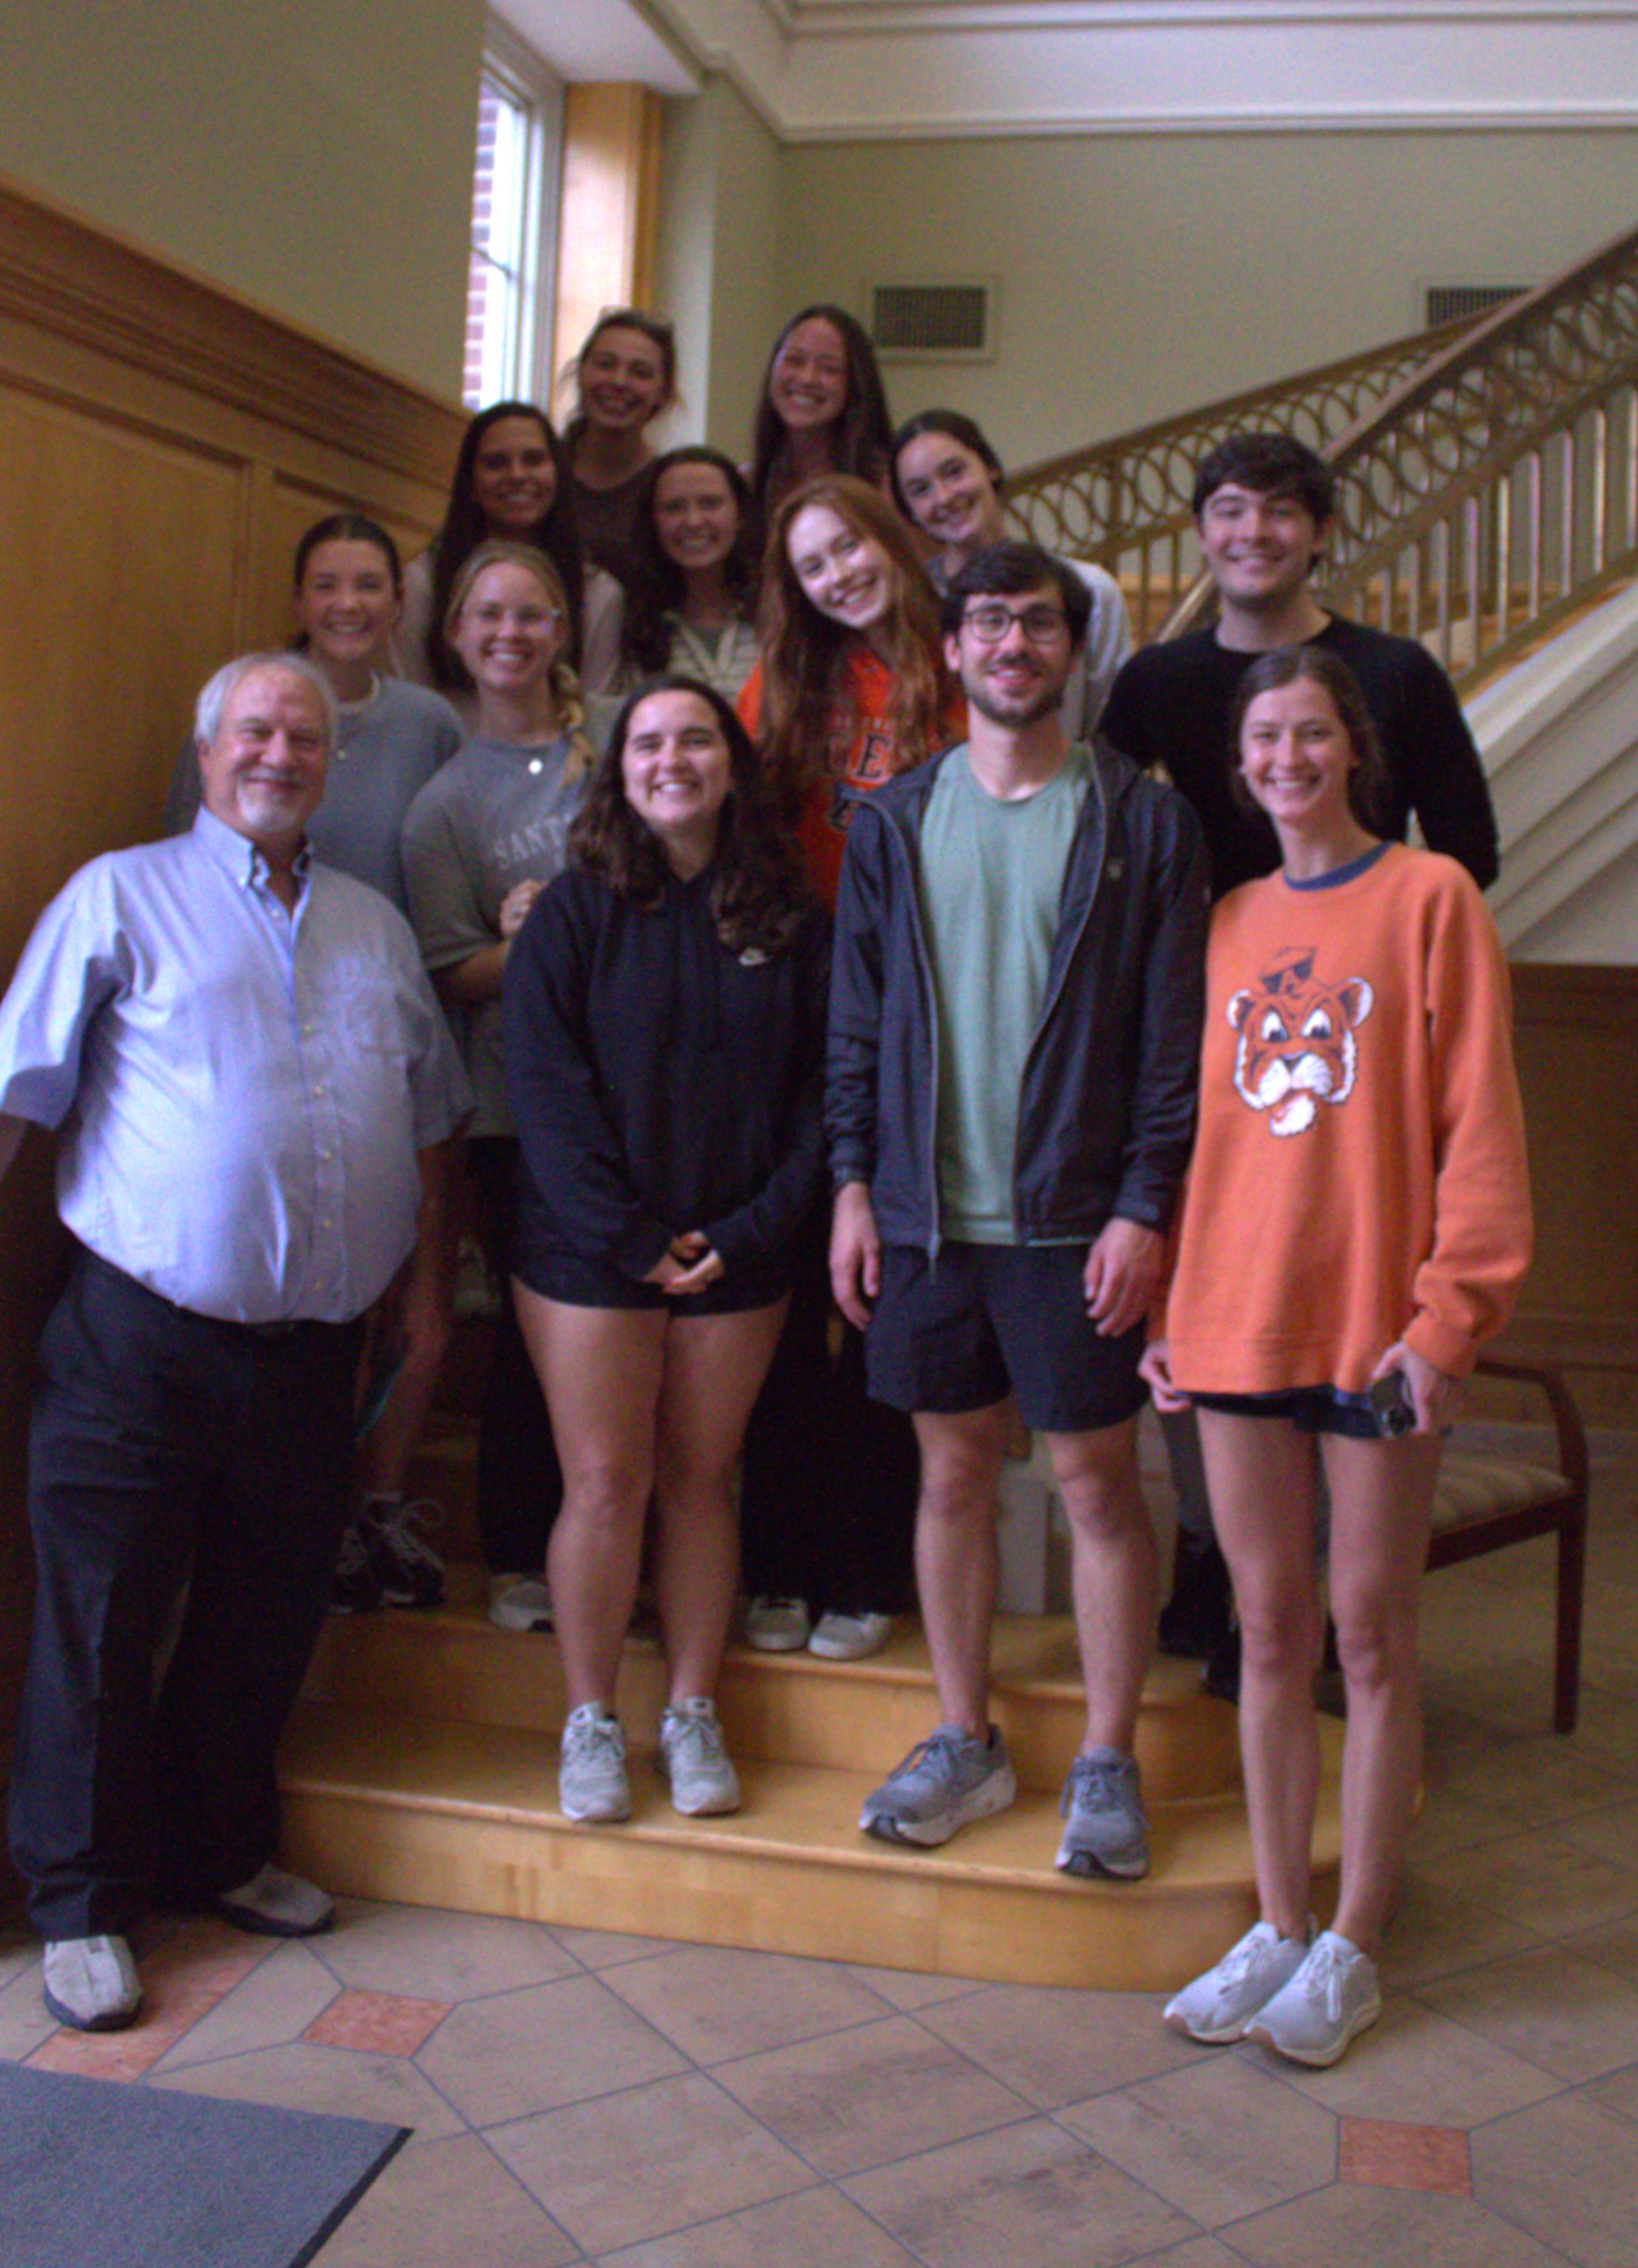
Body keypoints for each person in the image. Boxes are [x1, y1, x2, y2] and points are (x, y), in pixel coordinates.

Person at [0, 652, 471, 2032]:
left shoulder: (376, 928)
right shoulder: (119, 894)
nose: (281, 753)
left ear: (330, 763)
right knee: (98, 1618)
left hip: (314, 1350)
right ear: (207, 754)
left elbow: (432, 1118)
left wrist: (426, 1291)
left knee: (263, 1615)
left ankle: (220, 1855)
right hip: (136, 1341)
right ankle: (81, 1900)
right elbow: (19, 1088)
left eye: (305, 736)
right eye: (255, 730)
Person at [1142, 646, 1530, 2066]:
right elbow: (1197, 1138)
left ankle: (1357, 1933)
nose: (1289, 757)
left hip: (1377, 1332)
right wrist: (1177, 1313)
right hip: (1234, 1319)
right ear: (1240, 766)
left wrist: (1451, 1317)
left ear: (1352, 749)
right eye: (1266, 738)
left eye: (1313, 732)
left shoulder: (1433, 901)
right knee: (1265, 1632)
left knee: (1368, 1633)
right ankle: (1278, 1919)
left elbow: (1481, 1127)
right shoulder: (1227, 915)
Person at [829, 540, 1208, 1870]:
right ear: (951, 649)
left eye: (1035, 626)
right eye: (986, 624)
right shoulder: (891, 818)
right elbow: (858, 1025)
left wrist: (1146, 1204)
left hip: (1074, 1217)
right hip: (929, 1216)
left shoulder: (1141, 819)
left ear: (1071, 647)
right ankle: (963, 1737)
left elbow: (1173, 1042)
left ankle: (1107, 1759)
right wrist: (852, 1187)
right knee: (952, 1472)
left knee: (1101, 1483)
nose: (1009, 646)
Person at [1099, 429, 1502, 1670]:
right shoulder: (1158, 685)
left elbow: (1469, 847)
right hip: (1201, 1005)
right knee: (1217, 1290)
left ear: (1319, 529)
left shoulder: (1393, 671)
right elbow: (1110, 845)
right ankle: (1221, 1565)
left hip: (1356, 1022)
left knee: (1338, 1295)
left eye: (1279, 512)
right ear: (1205, 532)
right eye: (1227, 511)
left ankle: (1324, 1615)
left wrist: (1351, 927)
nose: (1252, 533)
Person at [504, 678, 829, 1823]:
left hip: (737, 1252)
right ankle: (591, 1716)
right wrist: (631, 1239)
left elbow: (820, 1098)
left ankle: (692, 1710)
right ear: (619, 767)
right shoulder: (572, 910)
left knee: (698, 1483)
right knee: (603, 1482)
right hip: (591, 1250)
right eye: (648, 741)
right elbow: (545, 1092)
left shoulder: (784, 910)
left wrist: (746, 1233)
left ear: (732, 761)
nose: (672, 758)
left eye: (696, 737)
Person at [162, 514, 466, 1616]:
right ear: (299, 594)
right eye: (327, 583)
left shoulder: (430, 721)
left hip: (402, 1013)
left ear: (398, 602)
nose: (349, 603)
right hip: (266, 1029)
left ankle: (377, 1503)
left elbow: (453, 854)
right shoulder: (245, 706)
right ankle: (317, 1510)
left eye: (370, 585)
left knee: (417, 1298)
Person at [735, 474, 965, 1660]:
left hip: (928, 1008)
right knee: (785, 1300)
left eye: (850, 548)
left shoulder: (964, 664)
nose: (837, 575)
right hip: (801, 998)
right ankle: (776, 1564)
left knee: (885, 1298)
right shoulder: (779, 686)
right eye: (813, 564)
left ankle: (869, 1566)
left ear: (892, 540)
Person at [401, 542, 607, 1634]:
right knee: (543, 1344)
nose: (510, 634)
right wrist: (521, 941)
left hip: (640, 1092)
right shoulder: (442, 802)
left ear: (562, 630)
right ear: (457, 634)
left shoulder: (615, 740)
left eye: (532, 614)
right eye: (489, 616)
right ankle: (527, 1553)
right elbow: (451, 972)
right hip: (517, 1111)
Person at [891, 408, 1132, 739]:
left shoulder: (1091, 589)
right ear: (911, 513)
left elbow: (1111, 727)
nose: (944, 497)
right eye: (920, 490)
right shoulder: (907, 600)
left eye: (954, 472)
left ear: (989, 467)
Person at [395, 401, 622, 712]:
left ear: (557, 475)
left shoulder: (597, 592)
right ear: (471, 484)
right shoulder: (423, 583)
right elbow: (412, 706)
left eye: (533, 460)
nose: (517, 475)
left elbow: (598, 715)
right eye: (496, 463)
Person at [616, 447, 761, 700]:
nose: (693, 521)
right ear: (653, 522)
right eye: (674, 508)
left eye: (710, 504)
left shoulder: (777, 614)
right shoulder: (632, 625)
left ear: (740, 515)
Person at [561, 308, 679, 585]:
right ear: (580, 374)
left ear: (662, 392)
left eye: (640, 372)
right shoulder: (540, 470)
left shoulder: (669, 488)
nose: (619, 382)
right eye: (606, 364)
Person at [747, 305, 894, 526]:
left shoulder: (886, 486)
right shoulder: (747, 484)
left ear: (856, 384)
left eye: (829, 368)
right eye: (795, 360)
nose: (807, 379)